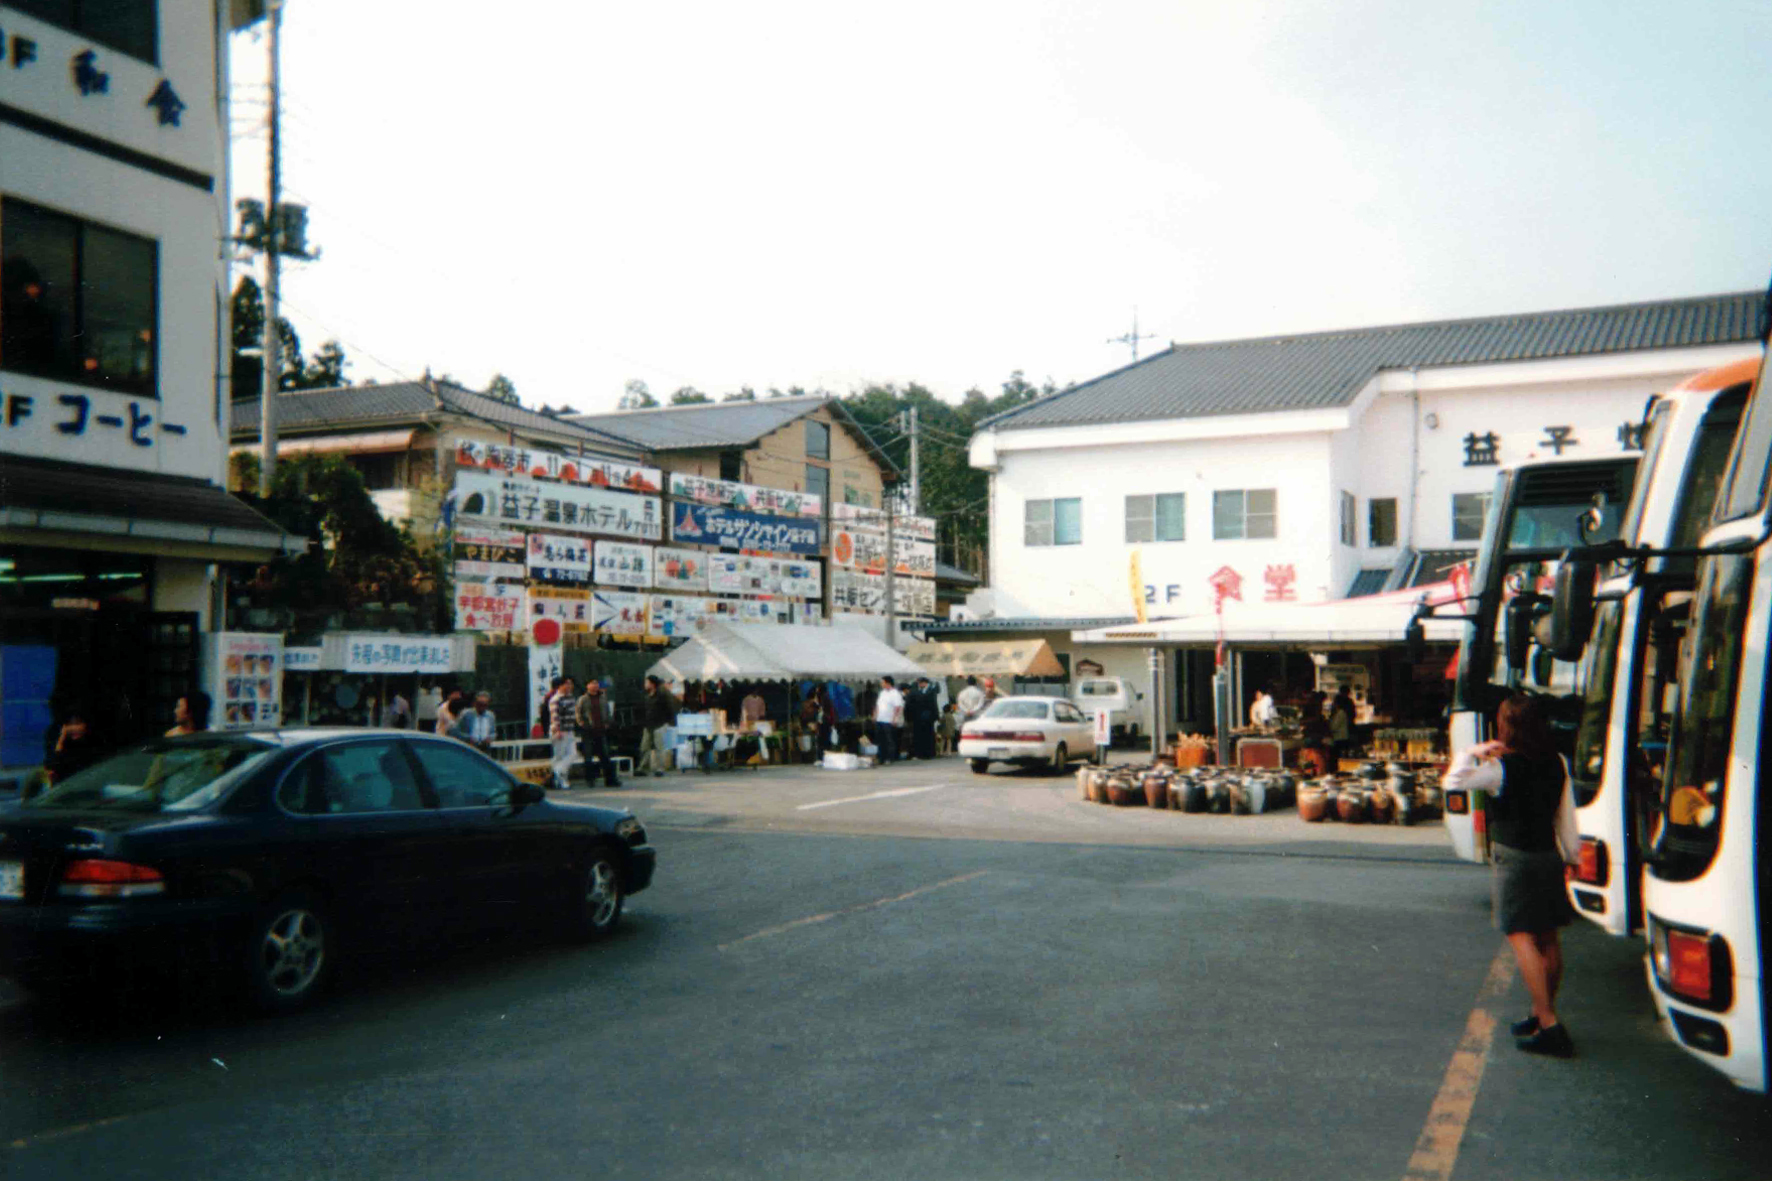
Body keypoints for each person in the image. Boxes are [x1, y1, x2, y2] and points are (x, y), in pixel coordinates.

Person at [1443, 694, 1581, 1058]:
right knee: (1548, 936)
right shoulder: (1557, 762)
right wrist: (1573, 854)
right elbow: (1564, 816)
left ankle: (1549, 1023)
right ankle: (1540, 1014)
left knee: (1521, 936)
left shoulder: (1499, 768)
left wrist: (1473, 750)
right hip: (1548, 854)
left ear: (1505, 727)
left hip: (1514, 859)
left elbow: (1452, 783)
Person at [576, 679, 621, 788]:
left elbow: (607, 712)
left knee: (605, 756)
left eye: (596, 683)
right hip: (588, 731)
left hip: (600, 731)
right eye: (592, 683)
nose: (595, 685)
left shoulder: (602, 698)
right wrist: (582, 724)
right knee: (588, 756)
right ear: (587, 685)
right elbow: (578, 713)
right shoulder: (583, 699)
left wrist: (607, 723)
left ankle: (610, 780)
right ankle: (590, 780)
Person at [44, 709, 104, 784]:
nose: (73, 728)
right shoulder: (62, 748)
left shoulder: (95, 748)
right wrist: (61, 740)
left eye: (77, 723)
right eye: (69, 725)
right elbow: (51, 766)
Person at [639, 675, 678, 778]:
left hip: (659, 724)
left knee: (659, 747)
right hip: (648, 725)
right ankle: (642, 767)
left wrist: (668, 721)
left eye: (647, 683)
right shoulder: (647, 696)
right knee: (644, 747)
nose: (645, 685)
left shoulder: (662, 695)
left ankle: (659, 768)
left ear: (652, 684)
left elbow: (670, 708)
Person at [549, 675, 578, 789]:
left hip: (570, 730)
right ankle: (561, 781)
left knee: (572, 754)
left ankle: (557, 771)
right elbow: (555, 716)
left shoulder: (571, 697)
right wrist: (558, 730)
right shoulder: (556, 699)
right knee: (559, 757)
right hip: (560, 731)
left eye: (571, 683)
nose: (570, 686)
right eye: (567, 683)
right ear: (560, 686)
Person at [872, 675, 905, 765]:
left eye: (882, 682)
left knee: (889, 740)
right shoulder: (882, 693)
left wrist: (895, 718)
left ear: (888, 683)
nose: (881, 684)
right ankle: (881, 757)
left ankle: (889, 758)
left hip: (889, 720)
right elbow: (878, 705)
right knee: (880, 739)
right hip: (880, 719)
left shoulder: (895, 693)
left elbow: (897, 707)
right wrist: (875, 715)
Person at [907, 676, 940, 759]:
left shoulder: (931, 691)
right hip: (920, 717)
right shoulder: (919, 691)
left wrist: (935, 715)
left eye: (920, 683)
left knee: (929, 735)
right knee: (922, 736)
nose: (919, 685)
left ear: (924, 683)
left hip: (929, 717)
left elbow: (934, 704)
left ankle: (930, 753)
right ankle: (923, 753)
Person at [1329, 685, 1355, 752]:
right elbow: (1353, 715)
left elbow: (1334, 726)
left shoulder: (1340, 712)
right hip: (1346, 731)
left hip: (1340, 735)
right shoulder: (1349, 702)